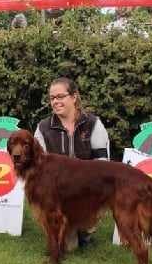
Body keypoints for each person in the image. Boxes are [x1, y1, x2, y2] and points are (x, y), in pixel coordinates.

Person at [33, 77, 110, 249]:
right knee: (69, 247)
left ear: (74, 97)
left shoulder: (93, 124)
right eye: (52, 98)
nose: (55, 102)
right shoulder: (43, 128)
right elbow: (38, 168)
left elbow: (102, 163)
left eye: (60, 96)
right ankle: (67, 230)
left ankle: (86, 231)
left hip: (87, 189)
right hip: (58, 194)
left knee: (91, 206)